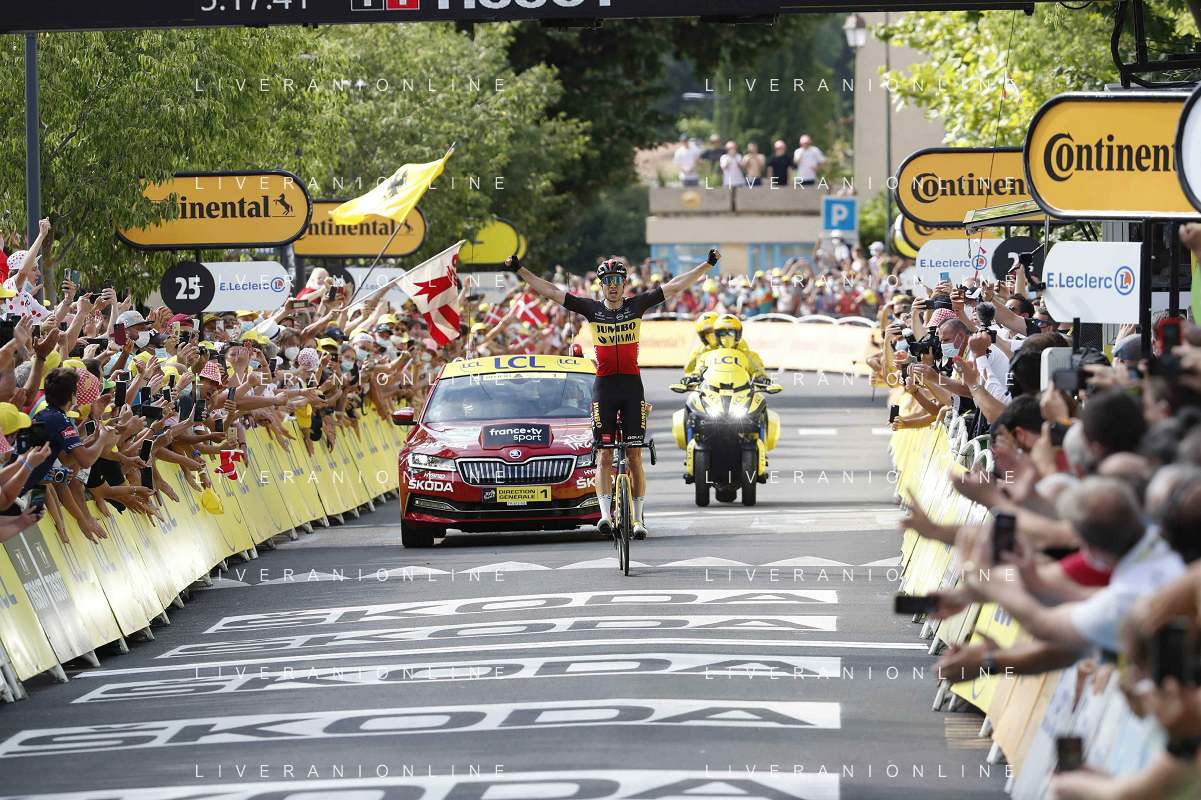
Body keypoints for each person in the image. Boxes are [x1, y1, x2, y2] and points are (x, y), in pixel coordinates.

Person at [508, 249, 720, 540]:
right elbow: (552, 292)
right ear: (601, 285)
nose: (612, 285)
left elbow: (674, 286)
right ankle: (605, 516)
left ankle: (638, 519)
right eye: (607, 280)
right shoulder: (591, 309)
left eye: (617, 280)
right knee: (604, 455)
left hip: (632, 387)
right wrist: (520, 269)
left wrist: (707, 264)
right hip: (604, 388)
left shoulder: (637, 305)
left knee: (634, 456)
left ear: (624, 283)